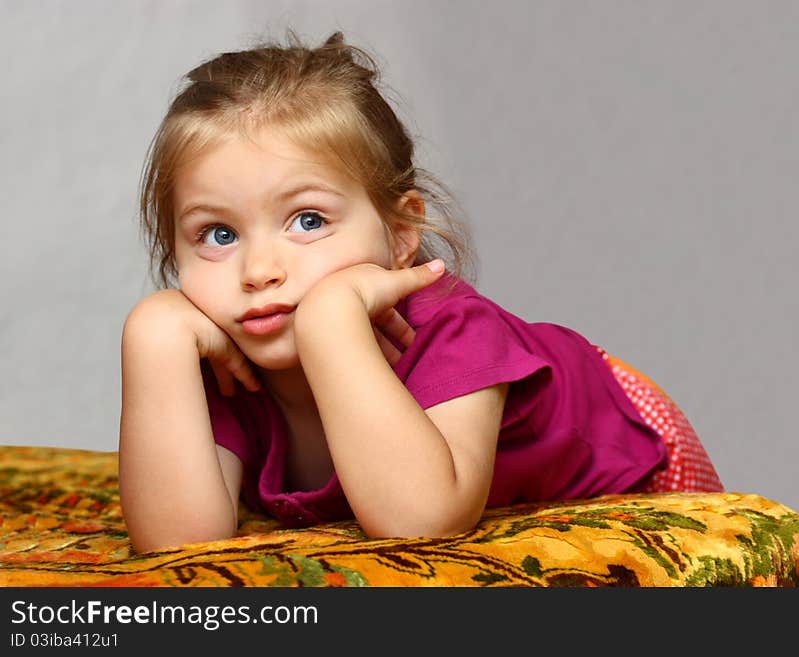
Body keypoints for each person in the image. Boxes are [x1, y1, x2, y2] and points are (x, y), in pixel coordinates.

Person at [119, 30, 722, 554]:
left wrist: (334, 324)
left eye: (308, 221)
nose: (259, 269)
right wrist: (153, 339)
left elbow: (421, 522)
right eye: (217, 234)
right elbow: (180, 543)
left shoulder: (455, 332)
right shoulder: (225, 357)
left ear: (401, 233)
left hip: (634, 457)